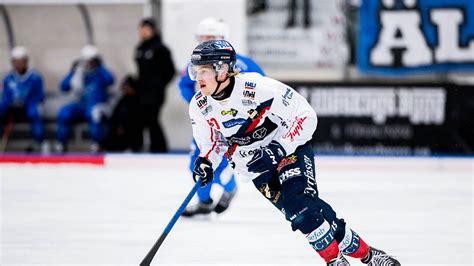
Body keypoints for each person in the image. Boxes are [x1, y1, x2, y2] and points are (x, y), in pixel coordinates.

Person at [187, 40, 401, 266]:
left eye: (204, 71)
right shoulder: (199, 105)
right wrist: (206, 161)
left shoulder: (258, 88)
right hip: (255, 167)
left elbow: (305, 115)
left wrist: (278, 148)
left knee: (299, 205)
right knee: (309, 211)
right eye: (196, 71)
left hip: (290, 150)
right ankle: (370, 256)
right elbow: (213, 143)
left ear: (222, 70)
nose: (197, 77)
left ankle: (335, 261)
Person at [179, 17, 266, 217]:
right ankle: (204, 201)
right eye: (203, 36)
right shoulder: (196, 62)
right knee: (197, 162)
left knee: (221, 166)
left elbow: (262, 88)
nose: (205, 40)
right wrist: (200, 105)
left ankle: (229, 187)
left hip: (233, 125)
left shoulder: (242, 63)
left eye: (211, 37)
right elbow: (184, 85)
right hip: (208, 121)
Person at [55, 45, 114, 153]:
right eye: (86, 61)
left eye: (91, 61)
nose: (89, 63)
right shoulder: (79, 72)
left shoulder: (100, 73)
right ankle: (61, 144)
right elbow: (64, 87)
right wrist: (72, 72)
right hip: (81, 105)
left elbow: (110, 80)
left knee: (94, 114)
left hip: (98, 104)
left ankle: (96, 144)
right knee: (64, 112)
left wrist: (100, 67)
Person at [135, 18, 176, 152]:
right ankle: (140, 146)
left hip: (155, 92)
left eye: (145, 29)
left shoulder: (161, 49)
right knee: (142, 118)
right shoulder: (140, 48)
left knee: (152, 118)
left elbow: (170, 71)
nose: (142, 32)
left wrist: (159, 85)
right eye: (141, 30)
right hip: (141, 91)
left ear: (152, 30)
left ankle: (159, 147)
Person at [1, 46, 47, 153]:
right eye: (16, 62)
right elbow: (6, 95)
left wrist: (26, 101)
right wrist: (10, 103)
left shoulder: (35, 77)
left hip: (29, 106)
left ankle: (39, 142)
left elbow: (39, 95)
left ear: (26, 61)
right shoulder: (9, 78)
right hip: (12, 107)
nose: (18, 64)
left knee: (35, 112)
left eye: (21, 61)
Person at [103, 75, 141, 152]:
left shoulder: (136, 101)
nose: (124, 88)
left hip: (131, 133)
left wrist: (123, 126)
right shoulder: (123, 100)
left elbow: (136, 120)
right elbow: (115, 115)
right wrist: (117, 125)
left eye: (126, 86)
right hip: (119, 131)